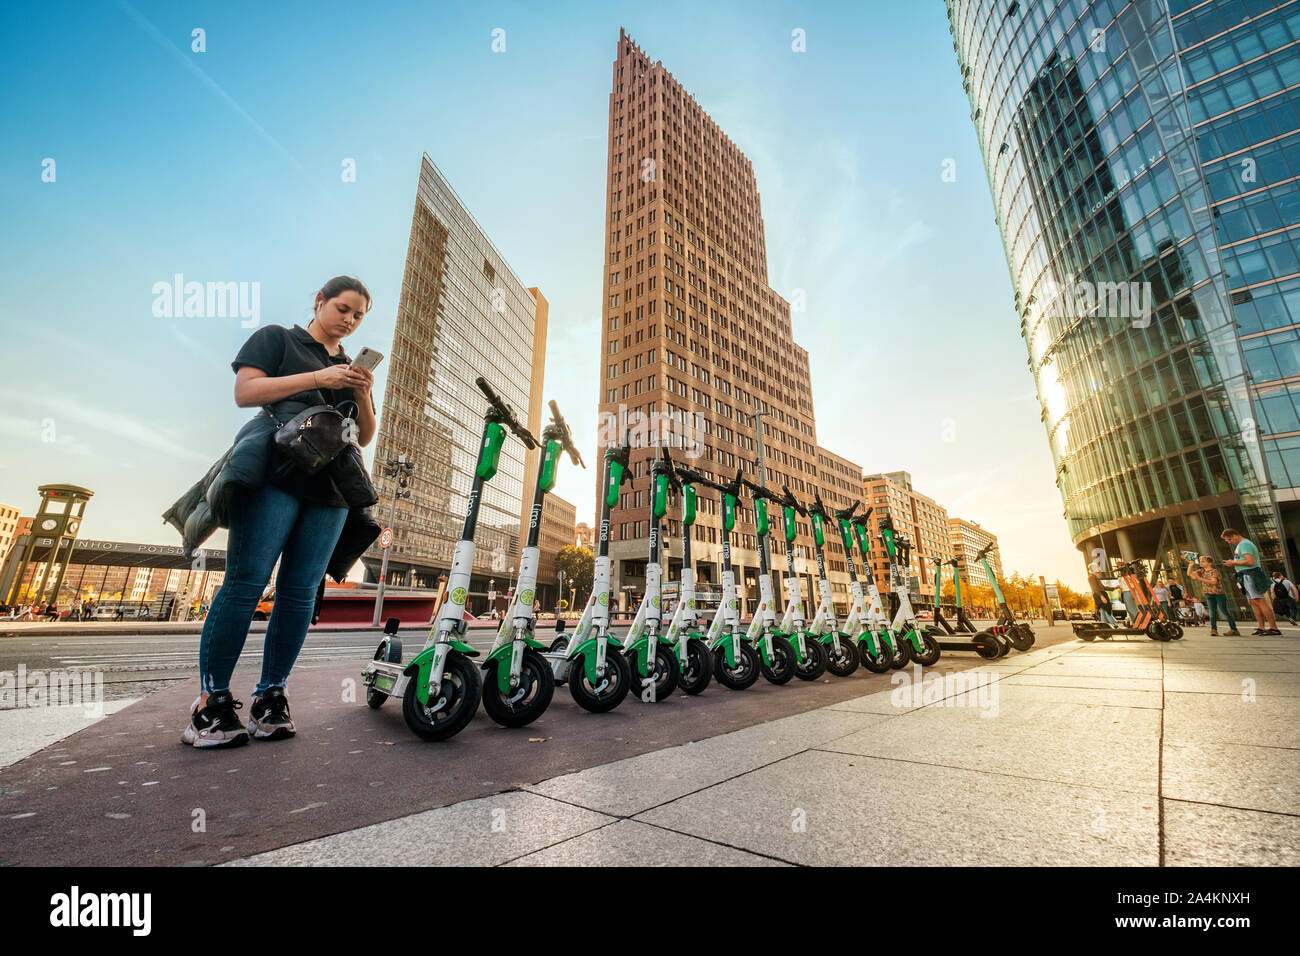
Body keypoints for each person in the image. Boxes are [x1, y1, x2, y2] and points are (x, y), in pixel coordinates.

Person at [176, 276, 378, 748]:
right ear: (320, 301)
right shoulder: (278, 339)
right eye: (343, 309)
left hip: (331, 485)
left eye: (359, 315)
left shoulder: (349, 366)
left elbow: (363, 436)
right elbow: (246, 393)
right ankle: (211, 704)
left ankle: (271, 697)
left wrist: (362, 392)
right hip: (274, 472)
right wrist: (319, 378)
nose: (349, 320)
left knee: (300, 593)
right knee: (246, 583)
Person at [1220, 529, 1280, 635]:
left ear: (1235, 535)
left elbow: (1250, 561)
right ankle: (1262, 627)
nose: (1229, 542)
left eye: (1229, 539)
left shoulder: (1244, 544)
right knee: (1253, 602)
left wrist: (1233, 562)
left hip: (1250, 574)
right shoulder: (1241, 545)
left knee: (1259, 600)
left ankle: (1274, 628)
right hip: (1245, 575)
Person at [1187, 554, 1239, 636]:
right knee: (1212, 612)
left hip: (1218, 594)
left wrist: (1200, 578)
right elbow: (1190, 574)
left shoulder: (1214, 571)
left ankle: (1234, 629)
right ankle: (1213, 629)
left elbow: (1214, 582)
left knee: (1224, 611)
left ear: (1210, 563)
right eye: (1200, 561)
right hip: (1208, 594)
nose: (1201, 563)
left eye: (1203, 561)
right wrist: (1190, 565)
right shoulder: (1202, 571)